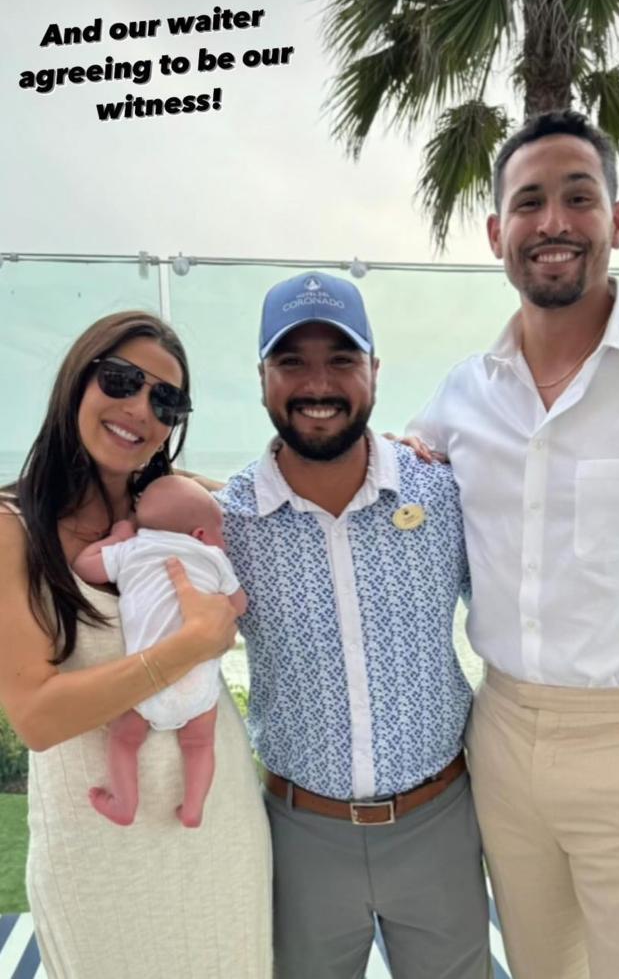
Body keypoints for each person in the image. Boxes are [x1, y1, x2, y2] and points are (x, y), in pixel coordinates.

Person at [406, 110, 619, 979]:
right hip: (504, 737)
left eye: (578, 197)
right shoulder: (463, 393)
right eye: (529, 202)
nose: (553, 221)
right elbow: (369, 482)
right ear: (497, 233)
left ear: (617, 221)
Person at [216, 271, 492, 979]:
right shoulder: (228, 521)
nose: (318, 384)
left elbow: (527, 602)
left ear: (374, 369)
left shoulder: (441, 492)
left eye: (341, 359)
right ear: (261, 378)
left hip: (438, 822)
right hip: (299, 833)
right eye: (292, 362)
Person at [0, 312, 272, 978]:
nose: (139, 409)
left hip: (215, 828)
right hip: (95, 848)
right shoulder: (14, 529)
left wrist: (395, 450)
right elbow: (36, 717)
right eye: (121, 380)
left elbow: (292, 484)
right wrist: (187, 647)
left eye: (165, 399)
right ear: (77, 382)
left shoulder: (186, 509)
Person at [72, 474, 247, 828]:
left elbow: (84, 566)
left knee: (123, 740)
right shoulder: (213, 558)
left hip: (146, 682)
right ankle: (194, 807)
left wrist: (116, 537)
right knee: (199, 745)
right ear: (200, 534)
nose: (222, 541)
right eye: (220, 532)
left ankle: (124, 803)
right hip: (199, 685)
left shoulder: (132, 550)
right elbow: (239, 605)